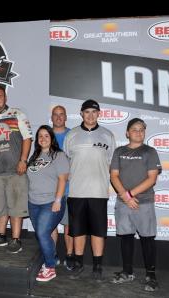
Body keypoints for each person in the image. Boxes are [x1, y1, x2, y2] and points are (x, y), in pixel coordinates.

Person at [63, 99, 115, 281]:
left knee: (98, 232)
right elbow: (66, 163)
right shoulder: (72, 135)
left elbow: (111, 165)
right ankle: (78, 264)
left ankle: (97, 266)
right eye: (87, 112)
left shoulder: (108, 135)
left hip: (99, 193)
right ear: (81, 114)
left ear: (99, 113)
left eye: (94, 112)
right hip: (76, 192)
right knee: (77, 231)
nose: (90, 115)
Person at [110, 118, 161, 292]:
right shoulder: (119, 151)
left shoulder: (150, 151)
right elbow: (114, 176)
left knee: (147, 239)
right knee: (126, 237)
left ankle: (151, 275)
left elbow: (152, 178)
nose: (138, 132)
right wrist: (125, 196)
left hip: (144, 203)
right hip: (123, 202)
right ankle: (127, 272)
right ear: (127, 133)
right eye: (134, 129)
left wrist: (130, 195)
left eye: (141, 129)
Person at [0, 85, 33, 254]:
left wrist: (23, 160)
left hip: (15, 171)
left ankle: (16, 238)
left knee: (16, 207)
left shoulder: (17, 114)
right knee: (0, 207)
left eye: (0, 96)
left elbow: (27, 139)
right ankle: (1, 236)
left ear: (6, 98)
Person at [27, 125, 69, 282]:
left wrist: (58, 200)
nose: (43, 139)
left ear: (51, 138)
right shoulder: (35, 156)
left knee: (43, 233)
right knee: (43, 233)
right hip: (33, 202)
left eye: (46, 135)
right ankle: (52, 257)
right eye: (40, 136)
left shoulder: (58, 155)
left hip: (50, 202)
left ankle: (50, 267)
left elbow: (63, 179)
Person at [50, 105, 74, 270]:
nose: (58, 117)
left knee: (68, 225)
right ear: (51, 117)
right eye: (55, 114)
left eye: (61, 114)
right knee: (50, 225)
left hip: (69, 189)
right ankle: (51, 254)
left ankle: (70, 255)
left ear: (66, 117)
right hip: (49, 190)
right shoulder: (45, 135)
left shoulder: (73, 135)